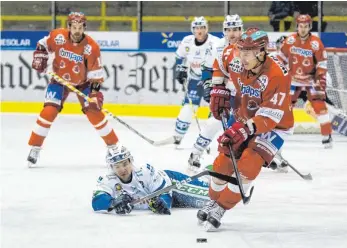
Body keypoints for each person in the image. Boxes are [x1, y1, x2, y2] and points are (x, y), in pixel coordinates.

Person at [197, 28, 294, 231]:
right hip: (244, 116)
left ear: (261, 51)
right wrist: (218, 88)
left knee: (248, 165)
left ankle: (222, 207)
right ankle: (213, 200)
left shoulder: (277, 74)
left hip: (275, 125)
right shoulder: (234, 55)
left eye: (247, 52)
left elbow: (269, 118)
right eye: (241, 50)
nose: (242, 56)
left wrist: (243, 130)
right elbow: (219, 65)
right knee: (223, 160)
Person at [27, 12, 119, 167]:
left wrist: (94, 95)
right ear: (68, 27)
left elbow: (96, 75)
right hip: (59, 80)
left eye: (80, 27)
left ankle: (113, 147)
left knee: (94, 112)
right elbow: (42, 44)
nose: (77, 31)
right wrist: (39, 56)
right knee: (48, 111)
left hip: (83, 83)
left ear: (84, 28)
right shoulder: (58, 36)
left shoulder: (91, 47)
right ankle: (35, 148)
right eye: (74, 27)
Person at [188, 14, 244, 171]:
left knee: (246, 126)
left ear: (241, 30)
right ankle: (195, 153)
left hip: (246, 94)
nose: (232, 34)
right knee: (214, 123)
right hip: (225, 91)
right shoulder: (217, 46)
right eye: (228, 30)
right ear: (224, 31)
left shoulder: (248, 45)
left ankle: (268, 154)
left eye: (235, 29)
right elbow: (206, 68)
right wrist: (208, 86)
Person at [155, 17, 219, 147]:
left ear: (207, 29)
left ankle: (210, 139)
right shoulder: (187, 41)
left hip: (212, 80)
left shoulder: (215, 42)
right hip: (195, 79)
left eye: (202, 28)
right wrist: (180, 69)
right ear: (192, 29)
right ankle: (178, 136)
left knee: (215, 109)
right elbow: (179, 57)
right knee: (189, 107)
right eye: (196, 28)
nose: (199, 31)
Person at [92, 145, 210, 215]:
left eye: (124, 164)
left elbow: (165, 194)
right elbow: (96, 202)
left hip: (173, 185)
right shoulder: (108, 179)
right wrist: (112, 203)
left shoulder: (144, 172)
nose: (122, 169)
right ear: (111, 167)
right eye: (117, 166)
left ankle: (211, 173)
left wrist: (161, 203)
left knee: (212, 197)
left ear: (130, 161)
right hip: (173, 200)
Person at [278, 14, 332, 148]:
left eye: (305, 26)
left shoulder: (316, 43)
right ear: (297, 26)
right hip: (293, 80)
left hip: (311, 80)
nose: (302, 29)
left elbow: (322, 62)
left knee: (319, 105)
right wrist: (280, 75)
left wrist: (320, 78)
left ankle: (327, 135)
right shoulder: (290, 40)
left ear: (309, 27)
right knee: (284, 107)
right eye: (300, 26)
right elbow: (280, 59)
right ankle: (278, 133)